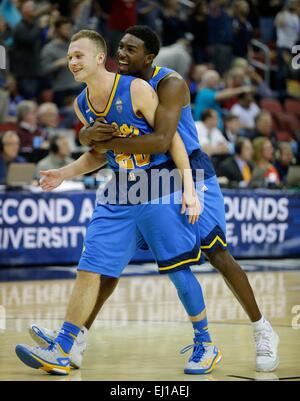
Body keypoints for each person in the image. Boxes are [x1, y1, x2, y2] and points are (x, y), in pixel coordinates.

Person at [30, 26, 279, 374]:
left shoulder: (169, 84)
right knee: (106, 268)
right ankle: (75, 336)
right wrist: (81, 154)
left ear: (149, 57)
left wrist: (99, 141)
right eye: (120, 47)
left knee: (216, 252)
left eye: (131, 50)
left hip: (189, 171)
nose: (122, 54)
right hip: (138, 180)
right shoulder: (104, 94)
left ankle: (261, 328)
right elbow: (106, 151)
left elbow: (164, 140)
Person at [16, 29, 215, 376]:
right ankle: (64, 347)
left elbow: (172, 142)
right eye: (68, 56)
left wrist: (188, 187)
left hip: (159, 185)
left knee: (177, 270)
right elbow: (99, 155)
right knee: (89, 267)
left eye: (78, 55)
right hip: (118, 191)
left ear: (98, 58)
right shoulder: (81, 104)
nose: (72, 62)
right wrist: (64, 172)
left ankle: (205, 343)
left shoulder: (136, 89)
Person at [41, 17, 82, 108]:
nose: (68, 31)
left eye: (69, 28)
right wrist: (57, 64)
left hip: (77, 86)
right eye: (65, 29)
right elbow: (44, 70)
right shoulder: (49, 49)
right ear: (57, 30)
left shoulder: (75, 45)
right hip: (61, 89)